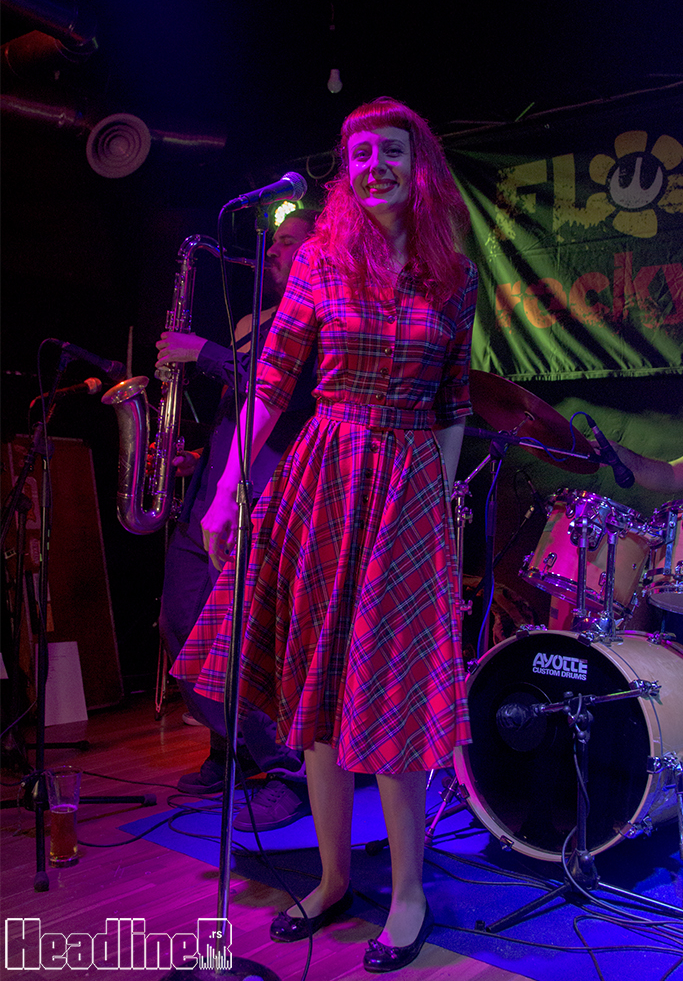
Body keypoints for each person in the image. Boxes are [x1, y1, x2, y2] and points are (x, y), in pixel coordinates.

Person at [173, 97, 478, 972]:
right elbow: (271, 382)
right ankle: (335, 877)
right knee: (317, 684)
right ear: (347, 172)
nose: (375, 165)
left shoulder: (453, 275)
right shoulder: (320, 259)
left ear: (419, 165)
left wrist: (437, 503)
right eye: (359, 153)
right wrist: (225, 495)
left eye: (391, 151)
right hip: (326, 475)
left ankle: (409, 893)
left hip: (407, 483)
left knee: (390, 692)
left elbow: (454, 402)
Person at [156, 209, 318, 831]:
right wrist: (197, 457)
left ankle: (283, 769)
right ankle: (235, 749)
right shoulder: (253, 322)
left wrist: (203, 351)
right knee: (179, 622)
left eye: (289, 242)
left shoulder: (317, 318)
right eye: (274, 242)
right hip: (210, 495)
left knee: (249, 638)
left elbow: (282, 394)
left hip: (265, 495)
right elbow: (239, 414)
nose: (274, 250)